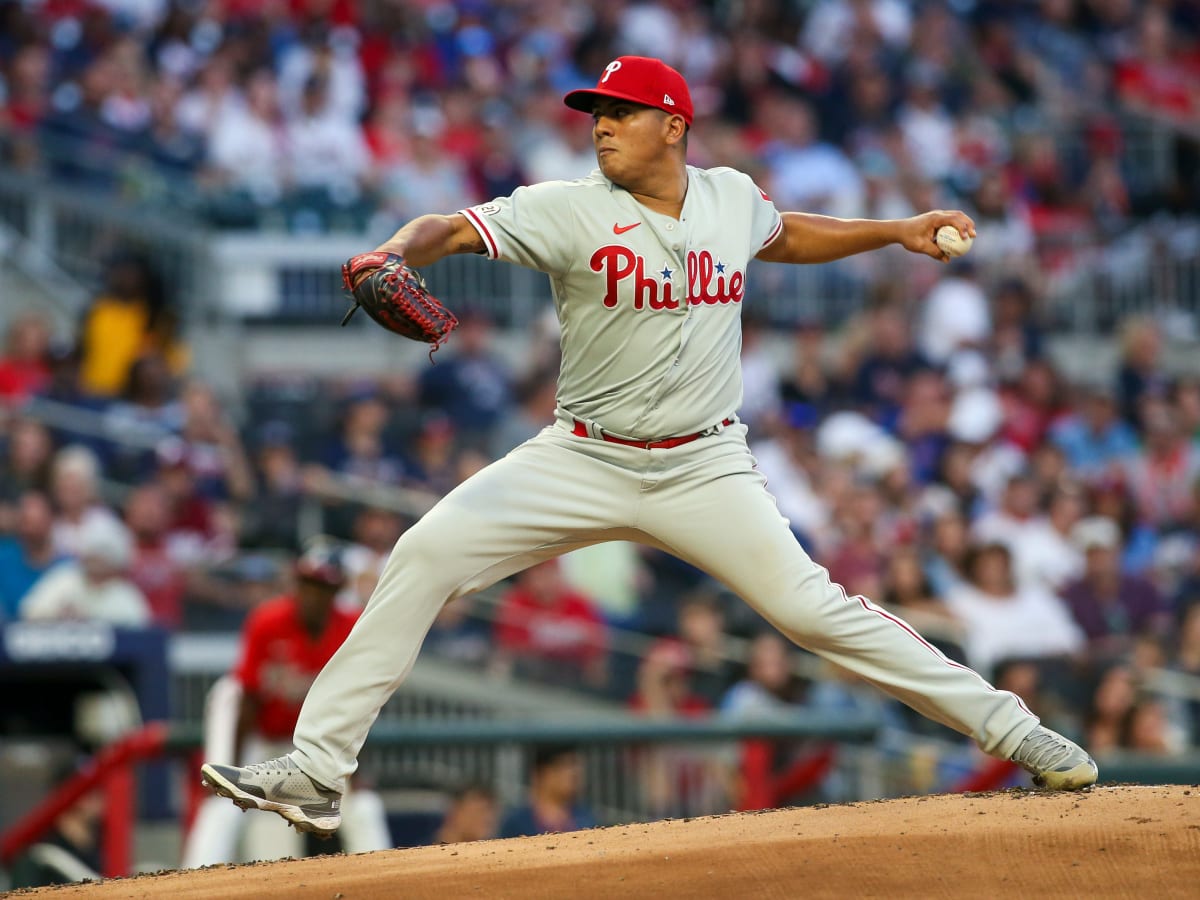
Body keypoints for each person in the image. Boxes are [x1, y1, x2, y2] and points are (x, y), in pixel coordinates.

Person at [201, 55, 1098, 839]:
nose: (601, 130)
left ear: (673, 125)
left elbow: (784, 236)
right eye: (595, 115)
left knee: (814, 613)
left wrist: (893, 232)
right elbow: (450, 227)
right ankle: (317, 771)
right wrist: (395, 248)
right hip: (581, 457)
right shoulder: (568, 209)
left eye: (619, 114)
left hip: (704, 465)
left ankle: (1017, 732)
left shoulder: (731, 197)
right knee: (422, 552)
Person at [184, 538, 390, 865]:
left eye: (321, 586)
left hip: (308, 744)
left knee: (363, 806)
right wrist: (234, 769)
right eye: (307, 584)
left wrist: (356, 773)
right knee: (223, 802)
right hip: (258, 734)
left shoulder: (350, 628)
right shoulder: (268, 620)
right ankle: (188, 883)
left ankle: (387, 883)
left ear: (336, 592)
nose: (312, 595)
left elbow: (359, 707)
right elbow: (248, 699)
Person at [498, 744, 597, 839]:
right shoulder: (516, 823)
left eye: (575, 766)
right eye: (564, 766)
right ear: (541, 772)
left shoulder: (586, 817)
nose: (574, 773)